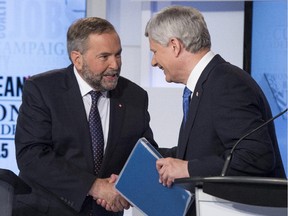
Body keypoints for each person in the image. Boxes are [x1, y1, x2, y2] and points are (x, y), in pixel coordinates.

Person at [145, 5, 286, 215]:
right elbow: (207, 150)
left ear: (174, 45)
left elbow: (256, 157)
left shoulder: (226, 84)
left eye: (155, 51)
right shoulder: (207, 83)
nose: (154, 61)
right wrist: (150, 162)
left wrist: (187, 169)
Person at [13, 17, 157, 216]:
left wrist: (126, 190)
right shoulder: (43, 90)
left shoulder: (134, 97)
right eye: (104, 56)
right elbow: (31, 156)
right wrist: (94, 186)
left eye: (118, 54)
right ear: (77, 59)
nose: (115, 64)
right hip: (45, 210)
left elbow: (143, 155)